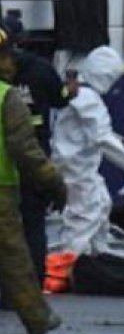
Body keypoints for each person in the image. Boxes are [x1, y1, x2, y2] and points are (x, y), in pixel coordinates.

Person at [52, 46, 124, 257]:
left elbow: (86, 133)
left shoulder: (74, 92)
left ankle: (95, 260)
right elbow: (103, 139)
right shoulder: (88, 98)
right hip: (78, 170)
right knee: (85, 217)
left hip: (74, 167)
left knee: (101, 205)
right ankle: (70, 266)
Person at [0, 31, 72, 285]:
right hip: (32, 159)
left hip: (17, 166)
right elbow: (61, 100)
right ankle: (32, 285)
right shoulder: (41, 70)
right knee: (32, 223)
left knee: (25, 225)